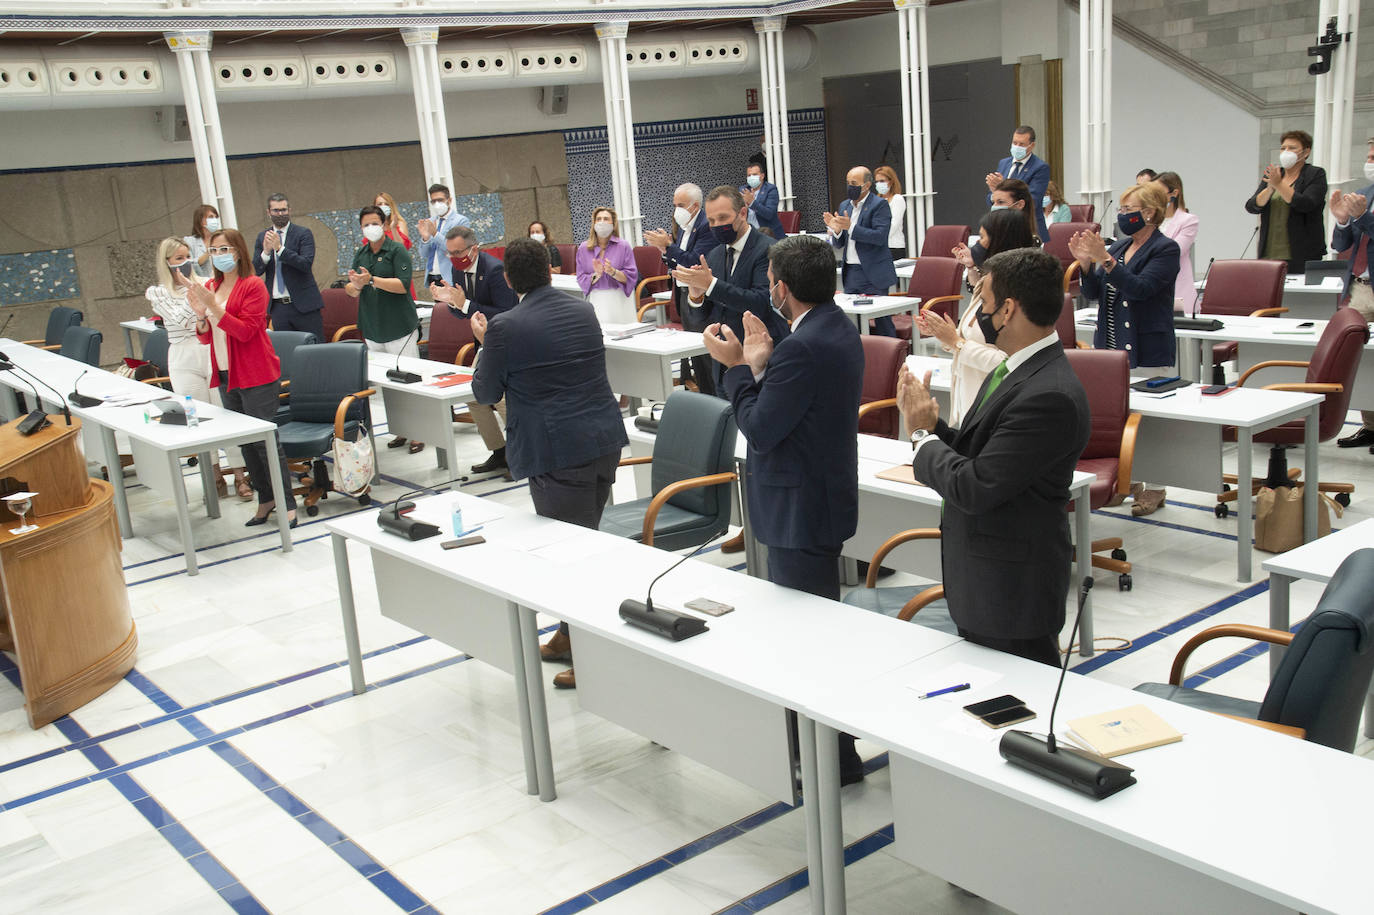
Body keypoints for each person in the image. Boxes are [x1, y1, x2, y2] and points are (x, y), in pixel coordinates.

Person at [701, 233, 866, 785]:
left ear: (782, 288)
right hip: (820, 497)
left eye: (770, 281)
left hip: (800, 509)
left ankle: (826, 759)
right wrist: (763, 366)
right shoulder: (835, 327)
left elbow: (763, 428)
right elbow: (796, 405)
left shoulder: (801, 347)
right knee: (814, 635)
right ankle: (831, 753)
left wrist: (738, 369)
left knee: (807, 644)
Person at [896, 248, 1090, 667]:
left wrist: (920, 436)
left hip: (1013, 589)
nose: (977, 316)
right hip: (988, 577)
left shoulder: (1048, 393)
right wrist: (937, 428)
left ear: (1007, 309)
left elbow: (977, 485)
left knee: (1019, 716)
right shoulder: (1017, 368)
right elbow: (986, 449)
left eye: (983, 304)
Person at [472, 239, 628, 690]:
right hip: (601, 440)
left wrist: (486, 344)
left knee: (573, 558)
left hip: (558, 453)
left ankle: (590, 650)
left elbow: (485, 393)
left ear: (507, 279)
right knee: (583, 540)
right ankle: (566, 633)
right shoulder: (581, 309)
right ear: (548, 268)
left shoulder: (504, 326)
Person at [1072, 181, 1179, 516]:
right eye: (1121, 210)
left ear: (1149, 213)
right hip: (1112, 344)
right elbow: (1093, 292)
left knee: (1152, 420)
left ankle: (1156, 487)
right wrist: (1088, 264)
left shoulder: (1166, 249)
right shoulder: (1119, 247)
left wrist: (1104, 259)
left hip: (1147, 344)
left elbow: (1141, 289)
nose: (1121, 216)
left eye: (1128, 210)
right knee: (1119, 416)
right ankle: (1129, 481)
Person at [178, 228, 297, 528]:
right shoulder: (211, 286)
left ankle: (286, 502)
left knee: (264, 443)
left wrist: (214, 307)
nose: (219, 255)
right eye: (214, 250)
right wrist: (202, 315)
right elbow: (207, 338)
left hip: (256, 373)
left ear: (239, 252)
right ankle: (265, 499)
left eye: (224, 249)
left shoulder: (253, 286)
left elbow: (245, 331)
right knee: (245, 444)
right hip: (225, 374)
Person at [147, 237, 244, 500]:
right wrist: (202, 304)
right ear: (166, 262)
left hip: (211, 350)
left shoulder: (207, 283)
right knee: (197, 418)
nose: (185, 262)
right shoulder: (157, 292)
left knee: (225, 414)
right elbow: (181, 318)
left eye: (187, 256)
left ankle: (239, 474)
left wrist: (204, 302)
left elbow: (216, 313)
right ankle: (213, 475)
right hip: (182, 356)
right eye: (178, 258)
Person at [673, 185, 788, 394]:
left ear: (742, 213)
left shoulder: (769, 249)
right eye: (711, 221)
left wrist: (711, 286)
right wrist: (696, 297)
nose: (716, 225)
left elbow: (761, 302)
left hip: (762, 360)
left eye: (723, 218)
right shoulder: (714, 255)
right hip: (723, 364)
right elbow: (702, 317)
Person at [429, 224, 519, 475]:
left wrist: (465, 304)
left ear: (474, 248)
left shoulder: (495, 270)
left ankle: (518, 452)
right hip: (483, 343)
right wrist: (451, 302)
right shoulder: (458, 272)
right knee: (474, 396)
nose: (454, 259)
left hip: (507, 343)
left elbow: (505, 314)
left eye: (458, 253)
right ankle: (498, 451)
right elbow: (463, 313)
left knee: (502, 400)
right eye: (450, 254)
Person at [346, 205, 423, 454]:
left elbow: (402, 285)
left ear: (384, 224)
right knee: (389, 383)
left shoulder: (396, 250)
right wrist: (355, 285)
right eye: (366, 224)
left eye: (374, 223)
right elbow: (352, 289)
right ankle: (402, 428)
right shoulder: (361, 253)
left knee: (410, 379)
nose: (371, 228)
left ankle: (419, 432)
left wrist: (371, 280)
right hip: (373, 326)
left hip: (399, 326)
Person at [645, 182, 717, 394]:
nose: (677, 209)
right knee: (695, 353)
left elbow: (694, 261)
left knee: (706, 354)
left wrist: (668, 247)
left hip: (701, 297)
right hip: (683, 294)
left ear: (695, 206)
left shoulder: (705, 226)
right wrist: (665, 251)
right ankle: (704, 397)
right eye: (675, 204)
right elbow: (678, 262)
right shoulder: (684, 227)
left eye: (681, 204)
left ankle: (715, 399)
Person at [1331, 139, 1374, 449]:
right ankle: (1370, 426)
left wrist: (1360, 218)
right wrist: (1343, 220)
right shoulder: (1366, 193)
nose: (1369, 161)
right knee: (1361, 360)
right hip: (1360, 287)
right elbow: (1340, 244)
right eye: (1368, 155)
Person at [824, 166, 899, 336]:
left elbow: (880, 237)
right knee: (852, 322)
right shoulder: (845, 205)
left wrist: (851, 227)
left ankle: (894, 358)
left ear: (866, 185)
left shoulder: (879, 205)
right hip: (852, 272)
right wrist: (836, 230)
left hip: (874, 272)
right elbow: (840, 243)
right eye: (848, 183)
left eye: (854, 183)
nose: (850, 186)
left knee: (882, 322)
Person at [1244, 130, 1328, 274]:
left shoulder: (1315, 174)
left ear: (1306, 152)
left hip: (1302, 253)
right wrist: (1270, 189)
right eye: (1283, 148)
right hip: (1269, 253)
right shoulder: (1275, 174)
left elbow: (1306, 204)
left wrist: (1279, 185)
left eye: (1292, 148)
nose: (1286, 152)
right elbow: (1252, 206)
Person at [252, 194, 325, 341]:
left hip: (304, 305)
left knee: (315, 347)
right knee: (288, 350)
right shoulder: (262, 237)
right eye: (276, 210)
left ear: (289, 210)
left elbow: (305, 264)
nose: (280, 214)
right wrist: (266, 252)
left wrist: (280, 249)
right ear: (268, 212)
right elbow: (255, 270)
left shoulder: (303, 233)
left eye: (283, 210)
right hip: (278, 307)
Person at [985, 126, 1050, 242]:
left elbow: (1032, 201)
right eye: (1015, 143)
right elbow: (991, 199)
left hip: (1029, 229)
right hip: (1004, 228)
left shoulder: (1040, 167)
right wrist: (994, 193)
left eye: (1022, 144)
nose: (1017, 147)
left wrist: (1003, 187)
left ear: (1032, 146)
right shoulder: (1004, 163)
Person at [575, 206, 638, 325]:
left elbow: (631, 277)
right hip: (597, 299)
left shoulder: (623, 246)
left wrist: (613, 272)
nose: (602, 222)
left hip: (620, 299)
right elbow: (581, 277)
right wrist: (596, 275)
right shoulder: (583, 248)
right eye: (598, 219)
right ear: (593, 223)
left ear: (613, 223)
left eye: (606, 219)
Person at [952, 207, 1038, 291]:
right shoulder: (1002, 270)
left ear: (1000, 241)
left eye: (982, 237)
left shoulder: (1019, 282)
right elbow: (977, 291)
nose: (978, 241)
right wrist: (971, 266)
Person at [1156, 172, 1199, 311]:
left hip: (1177, 292)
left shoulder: (1188, 220)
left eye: (1158, 193)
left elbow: (1174, 251)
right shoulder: (1149, 221)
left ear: (1173, 193)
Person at [417, 183, 471, 287]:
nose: (437, 204)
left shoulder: (460, 221)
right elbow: (423, 254)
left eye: (440, 200)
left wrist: (435, 234)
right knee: (438, 304)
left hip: (450, 277)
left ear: (449, 200)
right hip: (433, 276)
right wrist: (425, 238)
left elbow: (456, 249)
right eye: (433, 201)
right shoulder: (431, 221)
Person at [743, 159, 786, 239]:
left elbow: (769, 214)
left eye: (754, 174)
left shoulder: (771, 189)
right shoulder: (743, 190)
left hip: (769, 235)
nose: (751, 177)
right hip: (749, 235)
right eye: (749, 175)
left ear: (762, 176)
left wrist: (752, 202)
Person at [990, 178, 1040, 243]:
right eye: (993, 202)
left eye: (1000, 202)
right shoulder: (993, 236)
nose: (994, 207)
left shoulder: (1028, 242)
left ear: (1019, 205)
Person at [875, 165, 907, 263]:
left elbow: (893, 225)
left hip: (893, 247)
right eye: (877, 182)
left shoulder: (897, 199)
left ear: (891, 181)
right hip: (878, 247)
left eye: (882, 181)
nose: (879, 184)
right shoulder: (876, 201)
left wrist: (875, 236)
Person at [185, 204, 221, 278]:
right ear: (200, 220)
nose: (215, 220)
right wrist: (208, 252)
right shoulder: (189, 241)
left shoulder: (221, 238)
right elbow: (189, 266)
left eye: (216, 217)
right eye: (211, 217)